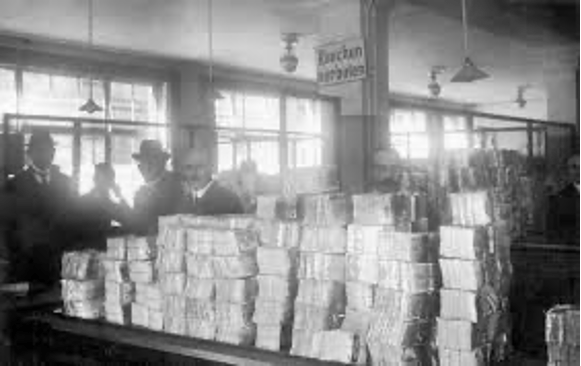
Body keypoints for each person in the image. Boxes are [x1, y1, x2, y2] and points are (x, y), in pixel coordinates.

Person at [4, 129, 77, 286]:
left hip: (60, 264)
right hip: (26, 266)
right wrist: (15, 258)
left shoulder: (67, 183)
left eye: (49, 149)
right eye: (39, 149)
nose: (45, 153)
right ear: (30, 153)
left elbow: (74, 220)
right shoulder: (14, 184)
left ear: (54, 152)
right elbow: (6, 227)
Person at [132, 140, 183, 234]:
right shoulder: (141, 192)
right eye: (144, 161)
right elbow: (137, 225)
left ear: (162, 163)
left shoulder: (176, 183)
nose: (146, 165)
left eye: (152, 160)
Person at [77, 163, 131, 248]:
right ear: (110, 181)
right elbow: (129, 219)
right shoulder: (105, 203)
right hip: (97, 249)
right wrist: (119, 195)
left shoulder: (84, 199)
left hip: (83, 248)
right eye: (111, 179)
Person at [177, 148, 244, 216]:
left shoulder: (230, 201)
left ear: (211, 168)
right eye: (189, 167)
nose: (194, 173)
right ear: (183, 171)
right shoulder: (182, 202)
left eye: (200, 167)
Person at [548, 153, 580, 244]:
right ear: (567, 171)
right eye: (574, 167)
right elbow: (552, 233)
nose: (579, 170)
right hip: (571, 252)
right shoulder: (558, 199)